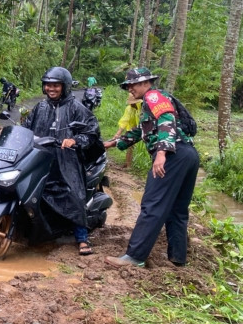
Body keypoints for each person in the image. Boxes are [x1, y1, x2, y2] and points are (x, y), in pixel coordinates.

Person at [103, 67, 199, 268]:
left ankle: (135, 256)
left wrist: (162, 152)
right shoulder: (150, 105)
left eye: (133, 85)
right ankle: (178, 258)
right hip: (189, 154)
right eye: (128, 86)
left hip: (174, 154)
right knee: (177, 209)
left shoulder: (153, 96)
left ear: (146, 83)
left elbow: (167, 120)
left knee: (153, 204)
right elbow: (142, 130)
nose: (130, 89)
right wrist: (115, 143)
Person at [22, 66, 101, 255]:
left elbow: (91, 132)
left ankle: (82, 238)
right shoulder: (40, 107)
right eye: (48, 85)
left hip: (66, 160)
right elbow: (25, 128)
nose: (51, 89)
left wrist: (74, 140)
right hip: (40, 157)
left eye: (56, 85)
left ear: (64, 86)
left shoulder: (76, 107)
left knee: (74, 194)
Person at [113, 93, 142, 168]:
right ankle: (128, 164)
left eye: (133, 103)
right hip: (132, 128)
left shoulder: (142, 107)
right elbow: (125, 120)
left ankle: (129, 164)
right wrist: (118, 133)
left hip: (141, 129)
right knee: (130, 146)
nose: (132, 105)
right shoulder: (129, 108)